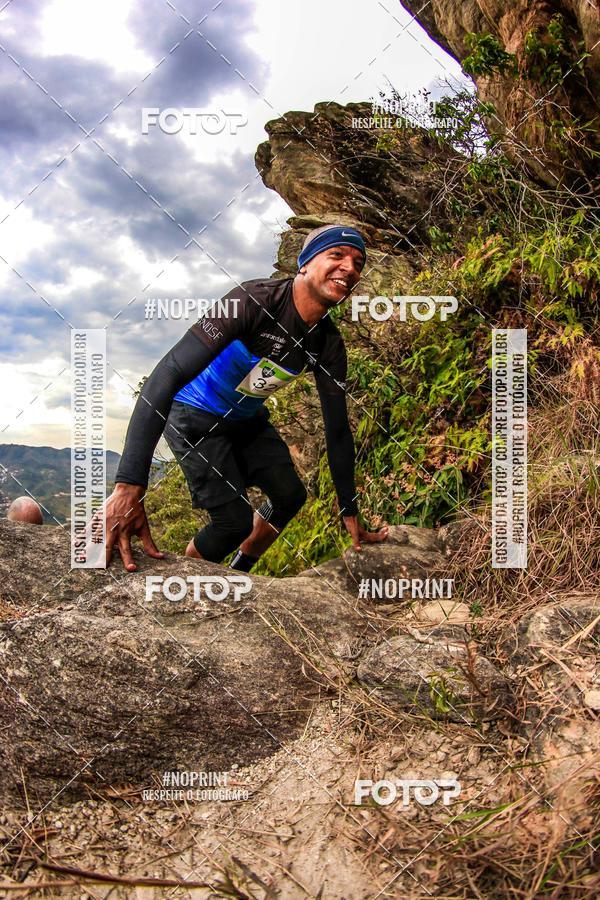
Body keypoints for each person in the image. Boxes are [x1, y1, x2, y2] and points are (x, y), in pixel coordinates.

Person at [105, 224, 389, 572]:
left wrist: (349, 508)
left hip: (245, 419)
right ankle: (181, 578)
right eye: (337, 255)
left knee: (290, 496)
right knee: (232, 522)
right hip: (195, 416)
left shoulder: (327, 344)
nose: (350, 267)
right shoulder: (253, 302)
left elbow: (338, 430)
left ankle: (240, 573)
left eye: (359, 262)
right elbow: (168, 374)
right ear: (304, 264)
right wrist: (129, 484)